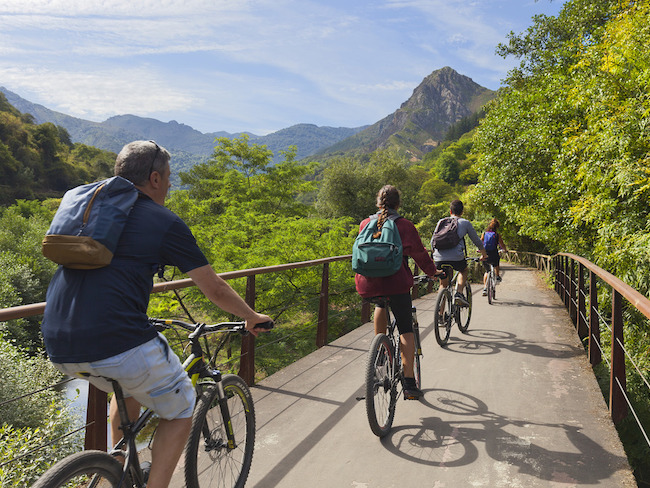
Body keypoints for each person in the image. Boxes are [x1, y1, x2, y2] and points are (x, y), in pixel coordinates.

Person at [41, 140, 272, 488]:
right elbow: (214, 289)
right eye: (168, 178)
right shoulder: (162, 220)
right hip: (116, 340)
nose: (169, 185)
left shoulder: (92, 211)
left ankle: (113, 469)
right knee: (181, 408)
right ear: (153, 178)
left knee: (131, 388)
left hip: (57, 338)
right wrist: (251, 315)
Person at [355, 185, 440, 400]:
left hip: (368, 284)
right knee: (405, 329)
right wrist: (433, 272)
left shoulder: (365, 224)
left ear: (378, 202)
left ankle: (380, 352)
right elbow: (420, 255)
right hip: (397, 284)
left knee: (380, 304)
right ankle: (409, 384)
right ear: (398, 203)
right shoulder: (404, 225)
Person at [431, 199, 488, 306]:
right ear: (462, 212)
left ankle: (440, 316)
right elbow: (477, 241)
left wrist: (435, 256)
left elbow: (432, 241)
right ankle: (459, 293)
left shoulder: (441, 221)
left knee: (443, 285)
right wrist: (484, 254)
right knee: (463, 270)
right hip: (456, 257)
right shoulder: (465, 223)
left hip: (439, 258)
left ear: (450, 211)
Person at [481, 218, 509, 295]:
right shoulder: (497, 235)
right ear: (497, 227)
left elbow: (480, 242)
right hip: (494, 253)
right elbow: (502, 244)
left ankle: (485, 288)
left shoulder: (484, 233)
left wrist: (480, 250)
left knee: (487, 271)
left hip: (485, 254)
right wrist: (505, 250)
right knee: (496, 263)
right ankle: (497, 276)